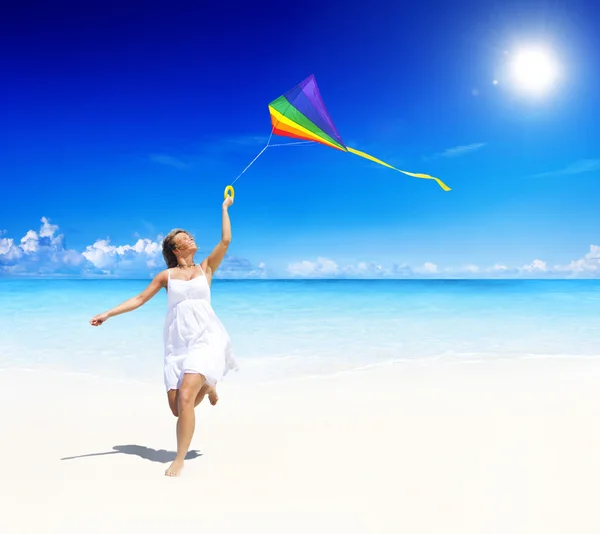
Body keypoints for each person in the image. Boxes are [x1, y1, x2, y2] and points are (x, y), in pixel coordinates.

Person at [90, 195, 238, 476]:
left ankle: (179, 458)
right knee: (177, 408)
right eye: (186, 237)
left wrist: (224, 208)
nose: (192, 238)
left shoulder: (205, 268)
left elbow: (226, 241)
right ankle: (209, 385)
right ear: (175, 247)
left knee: (185, 400)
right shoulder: (165, 276)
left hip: (205, 338)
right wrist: (108, 314)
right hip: (177, 344)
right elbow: (139, 299)